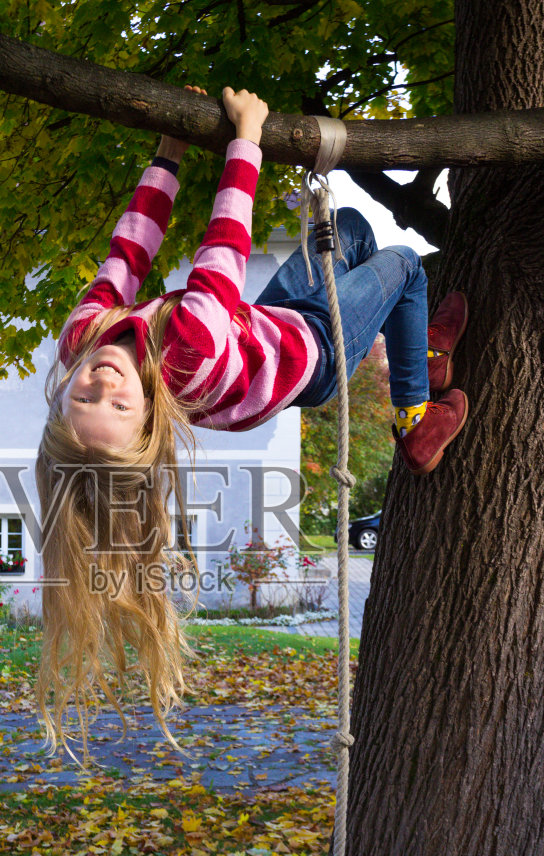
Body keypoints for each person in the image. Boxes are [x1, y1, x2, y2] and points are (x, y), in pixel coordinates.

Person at [34, 86, 469, 757]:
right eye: (118, 406)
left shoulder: (81, 338)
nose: (100, 383)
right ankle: (417, 412)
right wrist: (248, 135)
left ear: (62, 400)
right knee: (406, 266)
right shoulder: (184, 350)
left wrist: (169, 151)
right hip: (314, 350)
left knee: (348, 230)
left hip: (265, 328)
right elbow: (224, 241)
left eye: (84, 399)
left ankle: (414, 337)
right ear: (149, 413)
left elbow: (129, 251)